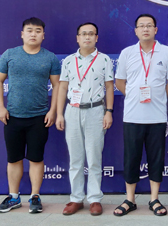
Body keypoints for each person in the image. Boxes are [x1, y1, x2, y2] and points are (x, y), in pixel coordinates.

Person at [0, 17, 61, 214]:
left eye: (38, 31)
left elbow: (57, 86)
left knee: (36, 159)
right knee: (14, 159)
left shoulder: (50, 58)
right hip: (12, 116)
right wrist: (0, 107)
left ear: (43, 35)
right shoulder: (10, 54)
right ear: (22, 34)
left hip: (39, 118)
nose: (33, 34)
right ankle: (14, 197)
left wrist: (53, 111)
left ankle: (35, 196)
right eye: (29, 30)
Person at [113, 14, 168, 217]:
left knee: (156, 159)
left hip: (157, 116)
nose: (145, 29)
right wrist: (134, 96)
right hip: (132, 116)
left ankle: (154, 199)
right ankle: (130, 199)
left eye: (149, 25)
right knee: (131, 158)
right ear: (136, 31)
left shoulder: (166, 52)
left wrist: (158, 97)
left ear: (156, 30)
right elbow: (119, 81)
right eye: (141, 26)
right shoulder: (127, 53)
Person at [55, 22, 114, 216]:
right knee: (75, 158)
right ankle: (76, 198)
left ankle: (95, 198)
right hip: (72, 111)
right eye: (83, 34)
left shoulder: (104, 59)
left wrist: (109, 111)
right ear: (77, 38)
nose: (87, 37)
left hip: (95, 110)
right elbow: (63, 88)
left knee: (94, 157)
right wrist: (59, 114)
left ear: (97, 38)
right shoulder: (68, 61)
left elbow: (109, 87)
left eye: (91, 34)